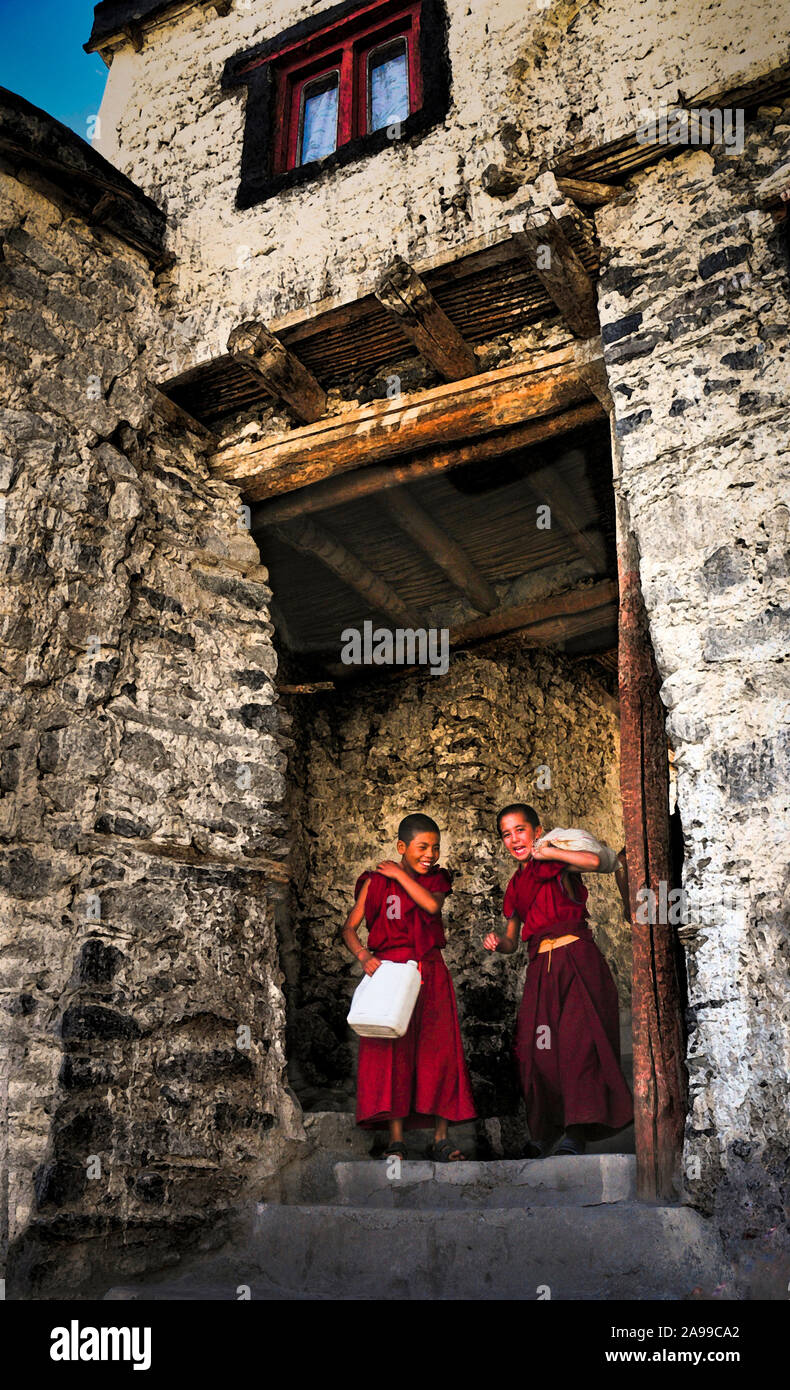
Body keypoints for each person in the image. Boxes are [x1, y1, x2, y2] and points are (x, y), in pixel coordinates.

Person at [483, 804, 633, 1157]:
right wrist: (497, 942)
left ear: (537, 830)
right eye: (506, 834)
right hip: (540, 972)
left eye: (520, 830)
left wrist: (549, 850)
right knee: (538, 1053)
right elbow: (511, 938)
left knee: (578, 1047)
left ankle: (575, 1132)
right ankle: (544, 1131)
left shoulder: (555, 859)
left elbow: (596, 863)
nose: (514, 839)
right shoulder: (515, 884)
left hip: (576, 961)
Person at [342, 812, 476, 1161]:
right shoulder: (374, 882)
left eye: (435, 847)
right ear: (402, 846)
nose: (430, 854)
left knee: (438, 1052)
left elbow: (430, 906)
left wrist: (401, 874)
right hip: (388, 972)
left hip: (428, 971)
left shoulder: (436, 881)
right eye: (422, 847)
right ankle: (396, 1140)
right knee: (390, 1054)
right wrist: (363, 955)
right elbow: (348, 928)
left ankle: (441, 1138)